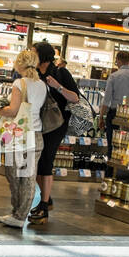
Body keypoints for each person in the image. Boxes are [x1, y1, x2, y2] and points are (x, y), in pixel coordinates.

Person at [0, 48, 46, 228]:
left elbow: (14, 111)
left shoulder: (19, 83)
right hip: (36, 134)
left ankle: (17, 213)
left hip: (19, 135)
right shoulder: (42, 84)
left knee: (13, 173)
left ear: (19, 63)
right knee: (29, 177)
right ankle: (21, 215)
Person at [29, 40, 81, 224]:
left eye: (33, 52)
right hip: (37, 123)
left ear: (43, 56)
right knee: (34, 163)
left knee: (46, 161)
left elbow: (75, 98)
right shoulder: (33, 73)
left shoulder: (60, 72)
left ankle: (44, 206)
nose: (31, 55)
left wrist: (57, 86)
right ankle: (46, 197)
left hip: (56, 124)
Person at [103, 49, 129, 155]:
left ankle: (111, 170)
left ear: (118, 60)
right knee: (128, 146)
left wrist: (101, 117)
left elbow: (106, 100)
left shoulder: (114, 76)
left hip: (115, 114)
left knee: (113, 144)